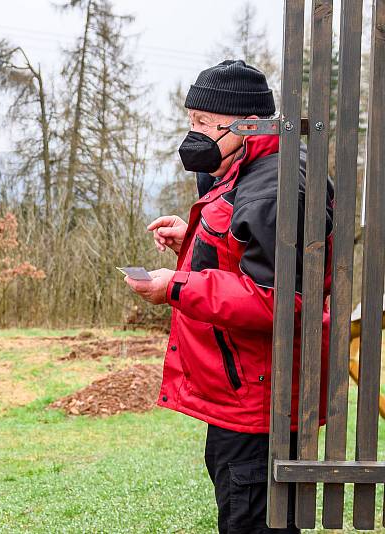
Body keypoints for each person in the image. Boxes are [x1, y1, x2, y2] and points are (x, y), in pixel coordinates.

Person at [124, 60, 334, 533]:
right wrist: (194, 241)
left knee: (252, 519)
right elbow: (247, 253)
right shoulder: (248, 168)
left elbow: (277, 299)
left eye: (202, 123)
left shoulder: (276, 186)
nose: (192, 134)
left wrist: (173, 285)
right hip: (243, 396)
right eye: (190, 120)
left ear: (243, 124)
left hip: (261, 401)